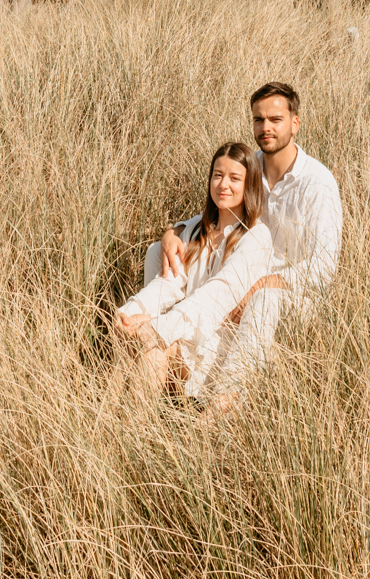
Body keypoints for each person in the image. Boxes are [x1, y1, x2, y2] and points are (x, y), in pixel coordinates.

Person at [150, 82, 342, 383]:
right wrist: (173, 231)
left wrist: (260, 285)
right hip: (242, 274)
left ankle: (225, 403)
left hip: (292, 294)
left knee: (264, 300)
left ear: (295, 124)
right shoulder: (250, 167)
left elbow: (323, 268)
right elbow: (219, 212)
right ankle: (151, 346)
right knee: (161, 253)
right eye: (258, 119)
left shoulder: (317, 182)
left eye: (275, 120)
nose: (266, 127)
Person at [115, 141, 281, 401]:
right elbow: (169, 282)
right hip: (187, 334)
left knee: (154, 344)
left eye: (234, 178)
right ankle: (116, 426)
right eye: (217, 175)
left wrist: (162, 327)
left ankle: (133, 428)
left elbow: (219, 295)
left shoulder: (256, 236)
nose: (223, 184)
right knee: (135, 336)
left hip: (216, 346)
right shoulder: (196, 229)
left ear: (249, 185)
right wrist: (134, 310)